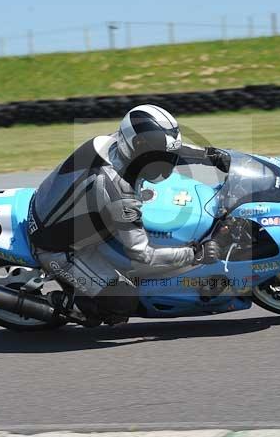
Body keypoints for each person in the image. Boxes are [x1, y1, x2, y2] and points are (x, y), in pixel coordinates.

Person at [27, 104, 228, 326]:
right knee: (122, 302)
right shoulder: (119, 191)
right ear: (138, 147)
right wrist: (195, 254)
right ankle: (67, 305)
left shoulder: (116, 142)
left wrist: (209, 156)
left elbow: (166, 150)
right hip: (59, 248)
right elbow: (143, 254)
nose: (166, 163)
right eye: (157, 156)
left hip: (60, 208)